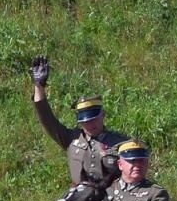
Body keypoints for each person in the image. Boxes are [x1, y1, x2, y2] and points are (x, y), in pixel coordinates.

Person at [29, 56, 127, 186]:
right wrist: (39, 86)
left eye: (94, 119)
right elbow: (46, 117)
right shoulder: (71, 139)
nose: (90, 124)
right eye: (85, 121)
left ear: (103, 115)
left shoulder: (120, 144)